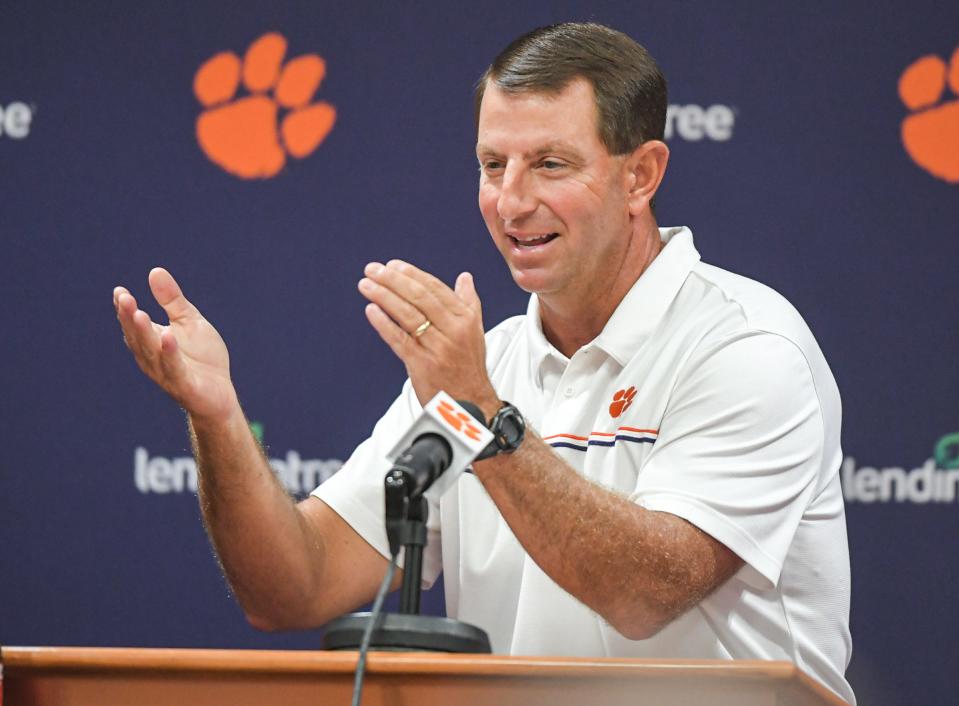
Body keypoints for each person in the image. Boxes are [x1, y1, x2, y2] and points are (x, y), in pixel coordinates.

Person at [113, 22, 854, 704]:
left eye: (550, 164)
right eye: (491, 164)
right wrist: (216, 418)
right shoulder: (483, 361)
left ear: (641, 175)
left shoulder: (744, 345)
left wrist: (479, 412)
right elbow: (293, 586)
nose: (509, 201)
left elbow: (643, 593)